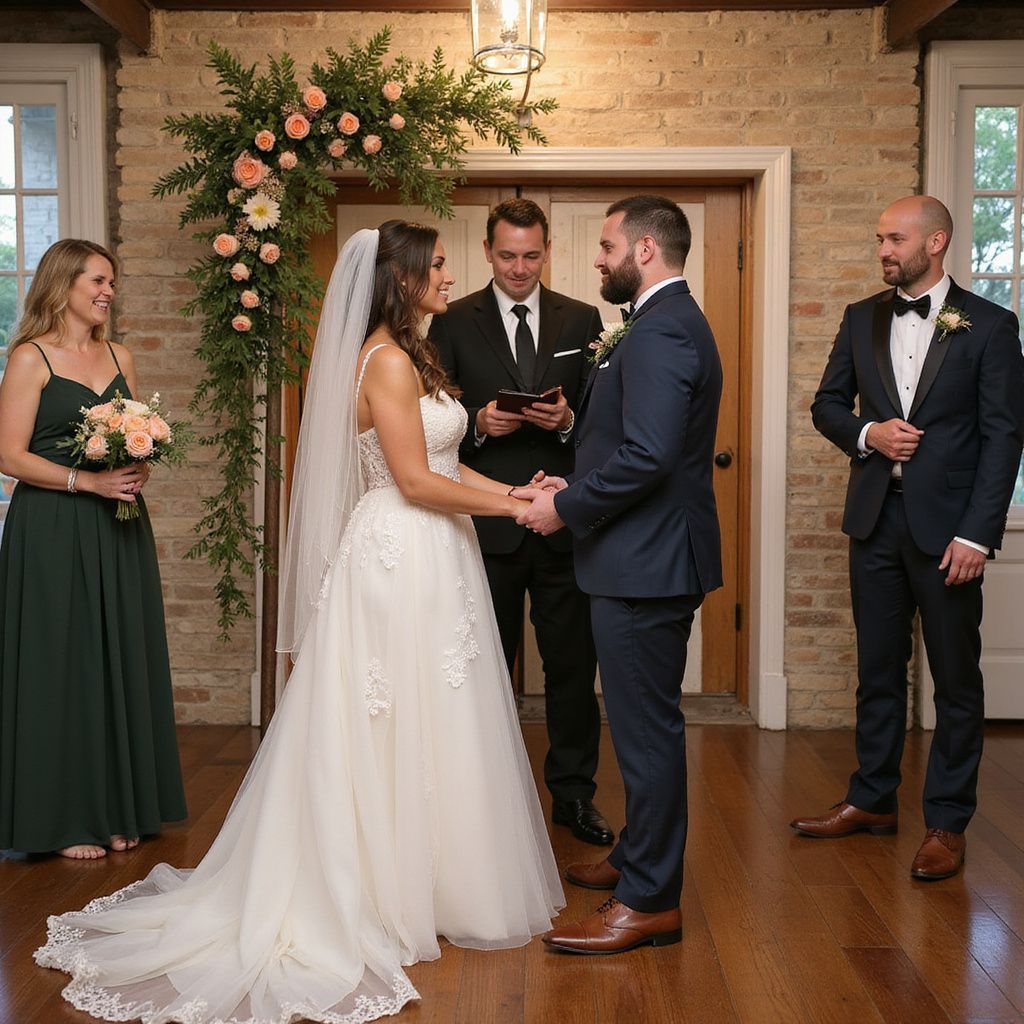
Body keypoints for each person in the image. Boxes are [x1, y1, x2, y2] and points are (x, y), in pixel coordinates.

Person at [36, 221, 563, 1024]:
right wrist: (518, 500)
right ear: (404, 280)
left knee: (439, 715)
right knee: (387, 720)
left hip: (436, 555)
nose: (452, 279)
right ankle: (376, 891)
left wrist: (509, 490)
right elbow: (416, 482)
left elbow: (442, 465)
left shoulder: (413, 354)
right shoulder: (384, 362)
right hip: (399, 551)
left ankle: (437, 882)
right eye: (440, 268)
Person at [792, 196, 1024, 881]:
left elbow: (1004, 436)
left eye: (895, 238)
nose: (884, 249)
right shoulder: (861, 317)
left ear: (937, 242)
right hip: (876, 521)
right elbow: (827, 405)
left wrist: (977, 537)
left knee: (955, 680)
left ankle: (947, 823)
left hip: (950, 532)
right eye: (880, 239)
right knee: (877, 670)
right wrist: (869, 434)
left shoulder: (991, 325)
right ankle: (873, 799)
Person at [516, 195, 723, 954]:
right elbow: (627, 447)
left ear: (643, 250)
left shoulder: (664, 330)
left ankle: (651, 900)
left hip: (647, 565)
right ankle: (640, 858)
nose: (596, 259)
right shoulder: (656, 324)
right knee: (641, 727)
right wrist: (571, 484)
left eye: (605, 246)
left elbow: (651, 457)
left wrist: (565, 511)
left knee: (646, 735)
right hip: (637, 556)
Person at [428, 198, 611, 847]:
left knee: (571, 669)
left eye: (531, 255)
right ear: (487, 251)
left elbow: (600, 421)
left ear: (547, 250)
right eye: (508, 255)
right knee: (481, 670)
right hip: (486, 526)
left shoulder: (583, 317)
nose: (519, 267)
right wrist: (478, 423)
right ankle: (480, 801)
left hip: (562, 521)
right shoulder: (448, 321)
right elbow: (428, 426)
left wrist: (563, 421)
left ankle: (573, 797)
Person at [0, 239, 186, 860]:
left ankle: (118, 806)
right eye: (99, 281)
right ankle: (67, 817)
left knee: (116, 657)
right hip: (52, 527)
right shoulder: (31, 358)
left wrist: (137, 469)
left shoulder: (119, 356)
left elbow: (137, 440)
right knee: (65, 664)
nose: (109, 291)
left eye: (112, 282)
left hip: (119, 525)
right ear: (64, 284)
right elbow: (8, 455)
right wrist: (88, 480)